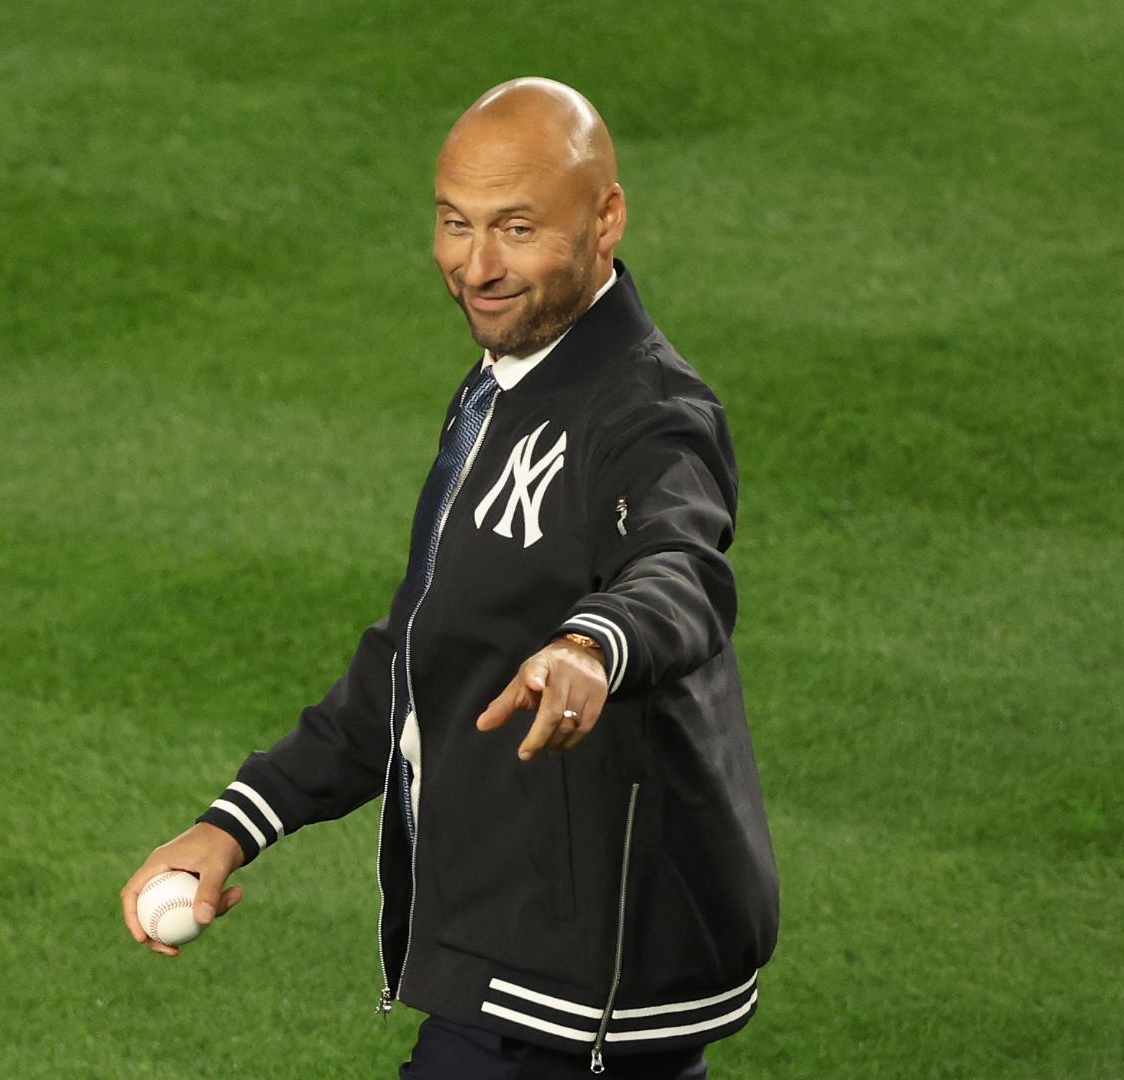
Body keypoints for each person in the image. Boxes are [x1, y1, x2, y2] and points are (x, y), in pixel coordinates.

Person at [120, 77, 778, 1078]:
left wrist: (593, 647)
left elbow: (680, 568)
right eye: (454, 224)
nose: (477, 266)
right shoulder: (505, 388)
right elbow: (425, 646)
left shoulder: (647, 411)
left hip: (572, 979)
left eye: (517, 228)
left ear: (607, 220)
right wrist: (238, 821)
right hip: (530, 954)